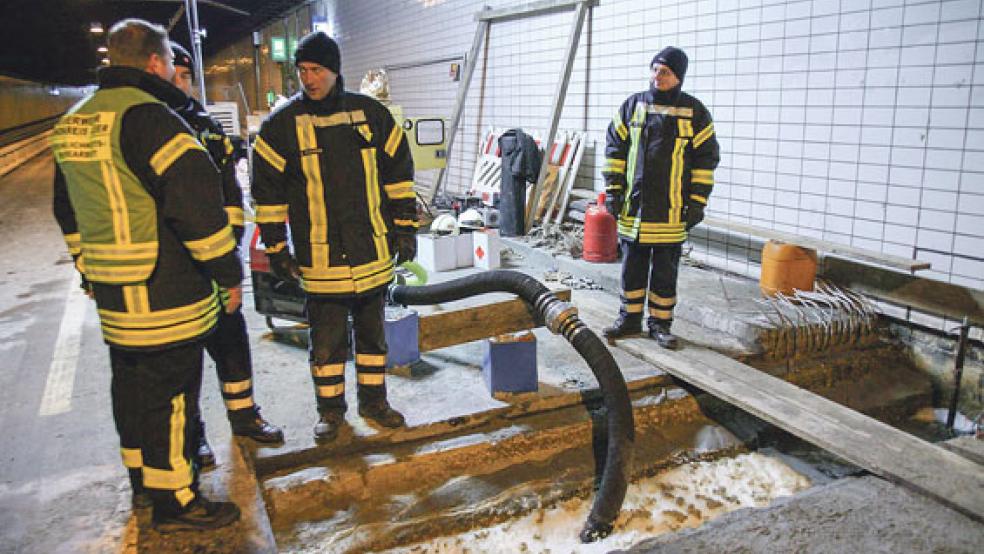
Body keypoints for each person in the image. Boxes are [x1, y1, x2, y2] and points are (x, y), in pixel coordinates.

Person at [51, 18, 241, 532]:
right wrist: (228, 272)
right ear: (157, 62)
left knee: (132, 390)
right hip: (165, 291)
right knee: (173, 396)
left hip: (113, 290)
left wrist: (87, 267)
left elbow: (66, 208)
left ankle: (141, 482)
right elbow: (196, 210)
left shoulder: (76, 120)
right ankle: (176, 500)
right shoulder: (151, 119)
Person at [251, 32, 418, 442]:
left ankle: (374, 402)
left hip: (372, 254)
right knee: (325, 345)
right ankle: (330, 412)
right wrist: (276, 249)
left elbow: (399, 175)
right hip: (319, 262)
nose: (308, 78)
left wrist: (405, 228)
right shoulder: (280, 127)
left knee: (372, 338)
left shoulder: (372, 116)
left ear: (335, 70)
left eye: (317, 70)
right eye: (303, 70)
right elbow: (267, 196)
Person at [170, 42, 283, 467]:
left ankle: (244, 417)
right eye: (177, 75)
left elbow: (231, 193)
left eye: (186, 77)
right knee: (185, 364)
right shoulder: (153, 124)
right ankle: (194, 437)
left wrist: (231, 246)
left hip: (218, 260)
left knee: (232, 345)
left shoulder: (206, 126)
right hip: (179, 272)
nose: (183, 84)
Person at [601, 46, 720, 349]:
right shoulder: (632, 106)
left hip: (672, 211)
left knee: (665, 271)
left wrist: (697, 202)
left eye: (664, 71)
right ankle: (628, 319)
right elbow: (614, 149)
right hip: (634, 210)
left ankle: (660, 324)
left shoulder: (696, 112)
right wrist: (613, 191)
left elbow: (706, 160)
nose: (657, 76)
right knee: (632, 268)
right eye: (654, 69)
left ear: (678, 76)